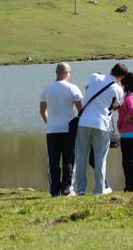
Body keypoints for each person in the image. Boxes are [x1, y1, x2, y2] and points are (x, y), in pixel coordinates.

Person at [75, 63, 126, 196]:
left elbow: (86, 87)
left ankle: (80, 190)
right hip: (101, 124)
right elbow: (116, 106)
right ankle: (99, 190)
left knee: (81, 157)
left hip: (83, 122)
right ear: (121, 77)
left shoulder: (94, 76)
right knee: (100, 159)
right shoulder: (118, 89)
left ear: (110, 70)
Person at [40, 62, 83, 196]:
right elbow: (81, 109)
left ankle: (54, 190)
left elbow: (42, 111)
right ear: (66, 73)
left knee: (53, 161)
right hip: (68, 129)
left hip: (52, 129)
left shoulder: (46, 89)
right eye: (69, 72)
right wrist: (76, 122)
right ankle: (67, 189)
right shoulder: (72, 88)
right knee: (69, 160)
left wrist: (49, 122)